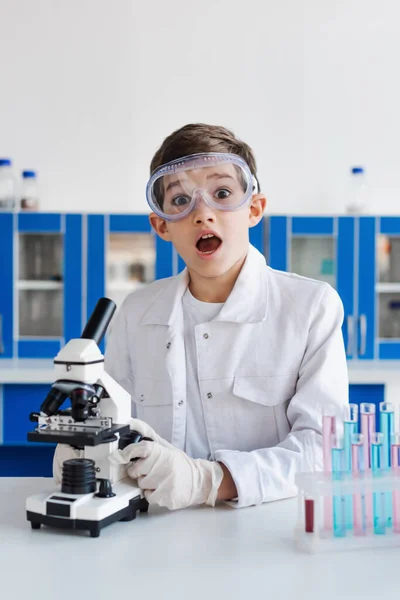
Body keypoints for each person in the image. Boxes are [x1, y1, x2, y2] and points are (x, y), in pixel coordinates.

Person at [53, 123, 348, 510]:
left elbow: (322, 449)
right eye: (179, 201)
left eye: (222, 193)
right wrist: (85, 453)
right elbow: (112, 423)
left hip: (271, 533)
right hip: (157, 534)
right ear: (162, 225)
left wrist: (211, 481)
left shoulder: (310, 307)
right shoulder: (137, 313)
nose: (202, 213)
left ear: (254, 208)